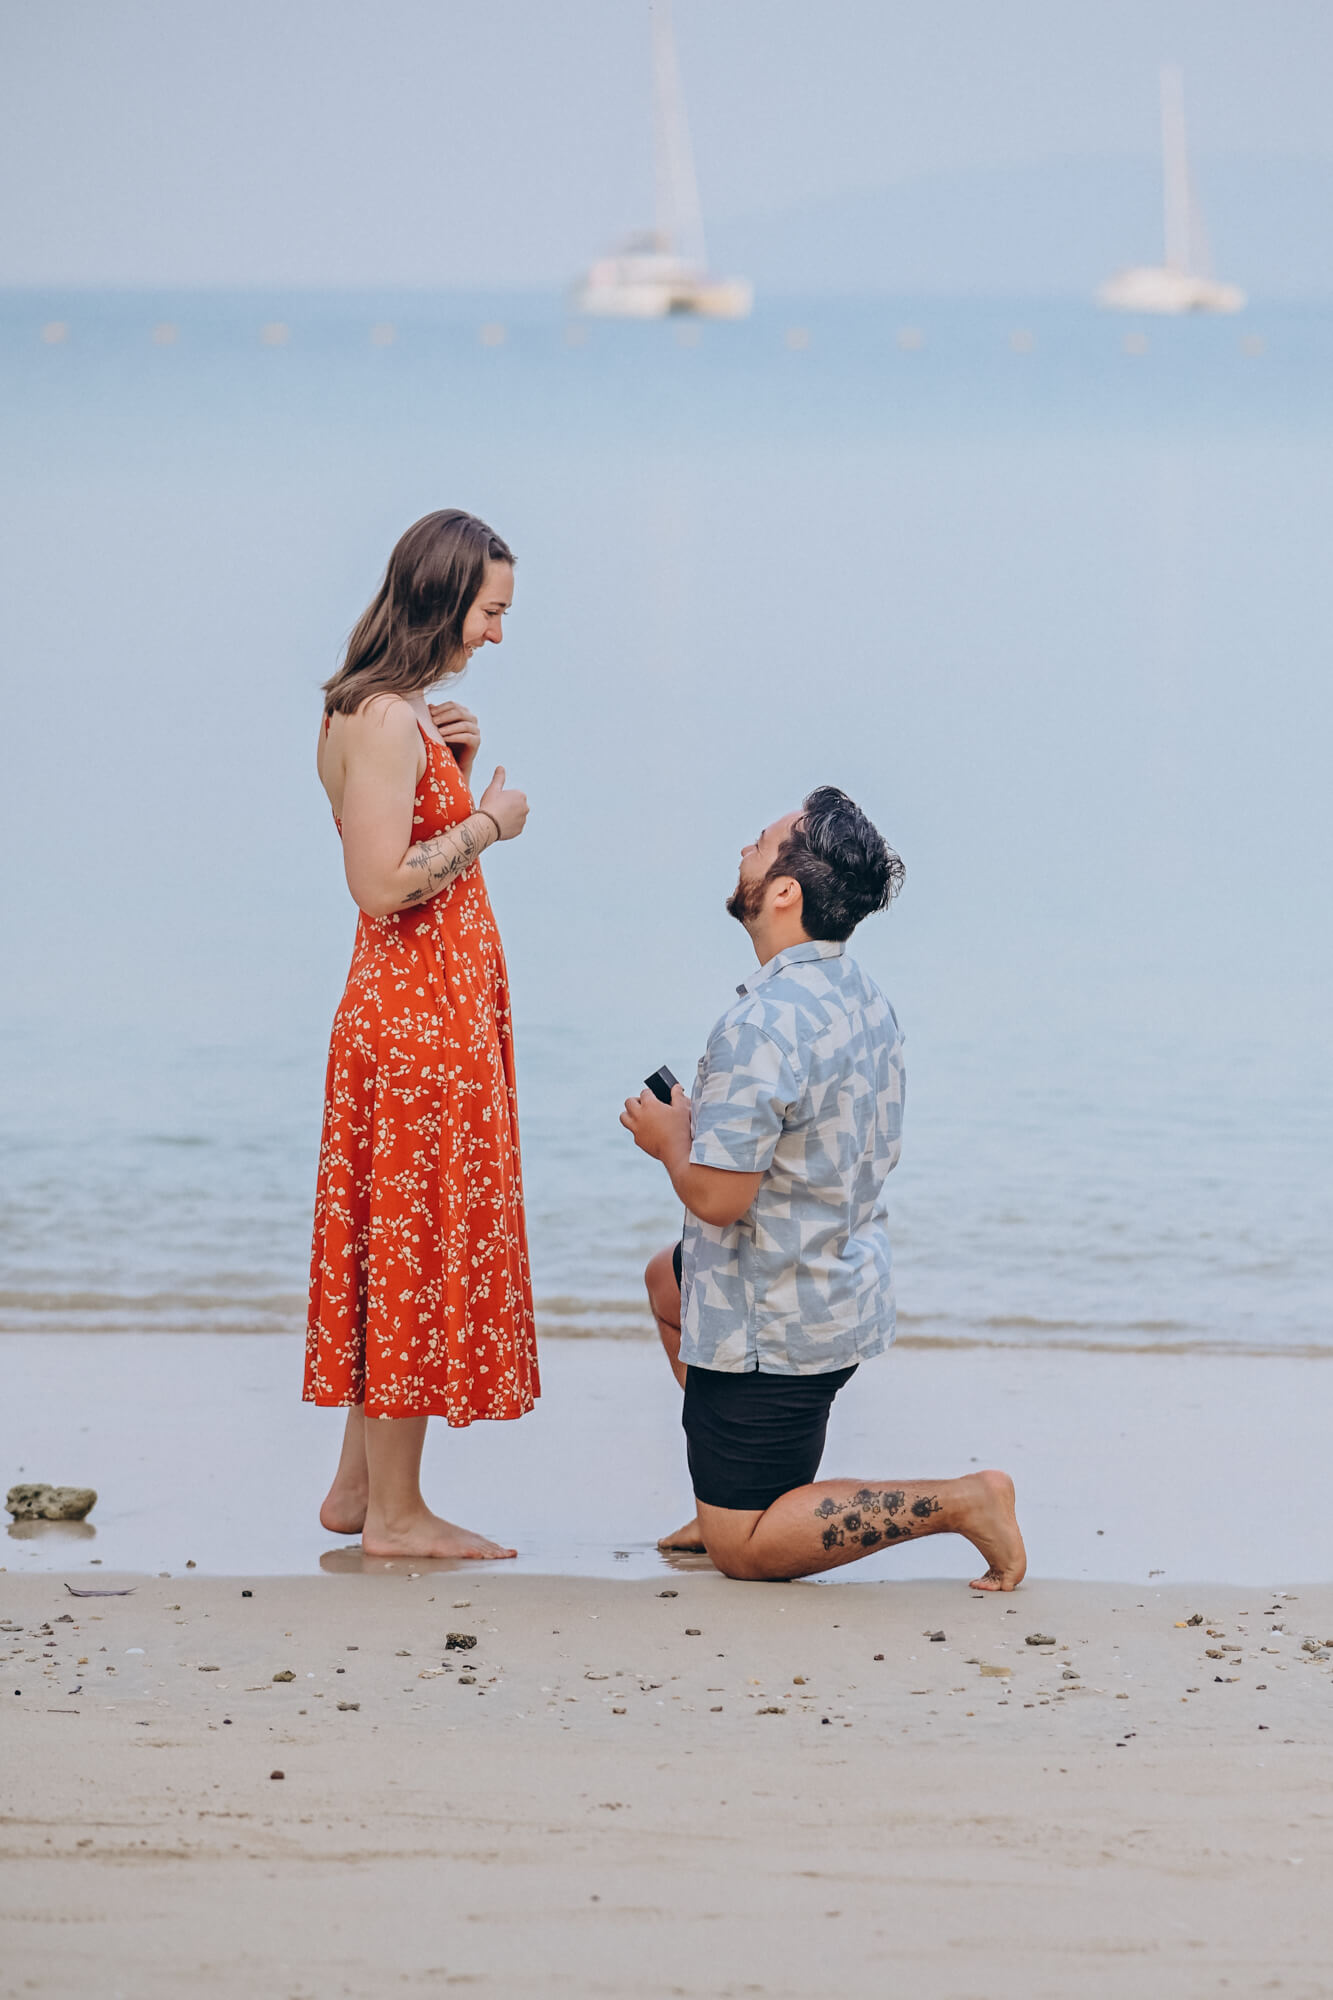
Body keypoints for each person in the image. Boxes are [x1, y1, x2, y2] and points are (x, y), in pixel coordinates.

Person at [621, 787, 1026, 1590]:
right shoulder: (857, 994)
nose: (744, 847)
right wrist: (714, 1127)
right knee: (668, 1280)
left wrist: (670, 1143)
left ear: (783, 892)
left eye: (760, 841)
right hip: (837, 1279)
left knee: (744, 1553)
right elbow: (810, 1132)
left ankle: (962, 1503)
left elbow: (718, 1201)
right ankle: (730, 1495)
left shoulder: (760, 1024)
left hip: (771, 1322)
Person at [304, 509, 538, 1561]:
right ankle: (397, 1515)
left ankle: (360, 1485)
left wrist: (455, 769)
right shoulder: (385, 718)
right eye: (490, 610)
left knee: (387, 1242)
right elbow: (380, 884)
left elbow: (393, 835)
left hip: (413, 1014)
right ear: (445, 598)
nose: (496, 632)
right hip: (413, 1023)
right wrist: (487, 820)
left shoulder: (371, 712)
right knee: (405, 1250)